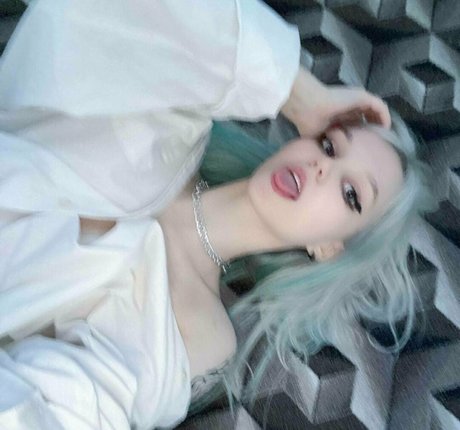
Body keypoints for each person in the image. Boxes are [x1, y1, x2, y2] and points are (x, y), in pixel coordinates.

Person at [0, 0, 436, 428]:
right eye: (329, 145)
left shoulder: (202, 335)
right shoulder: (172, 127)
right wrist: (298, 92)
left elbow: (69, 407)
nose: (323, 166)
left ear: (328, 248)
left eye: (351, 194)